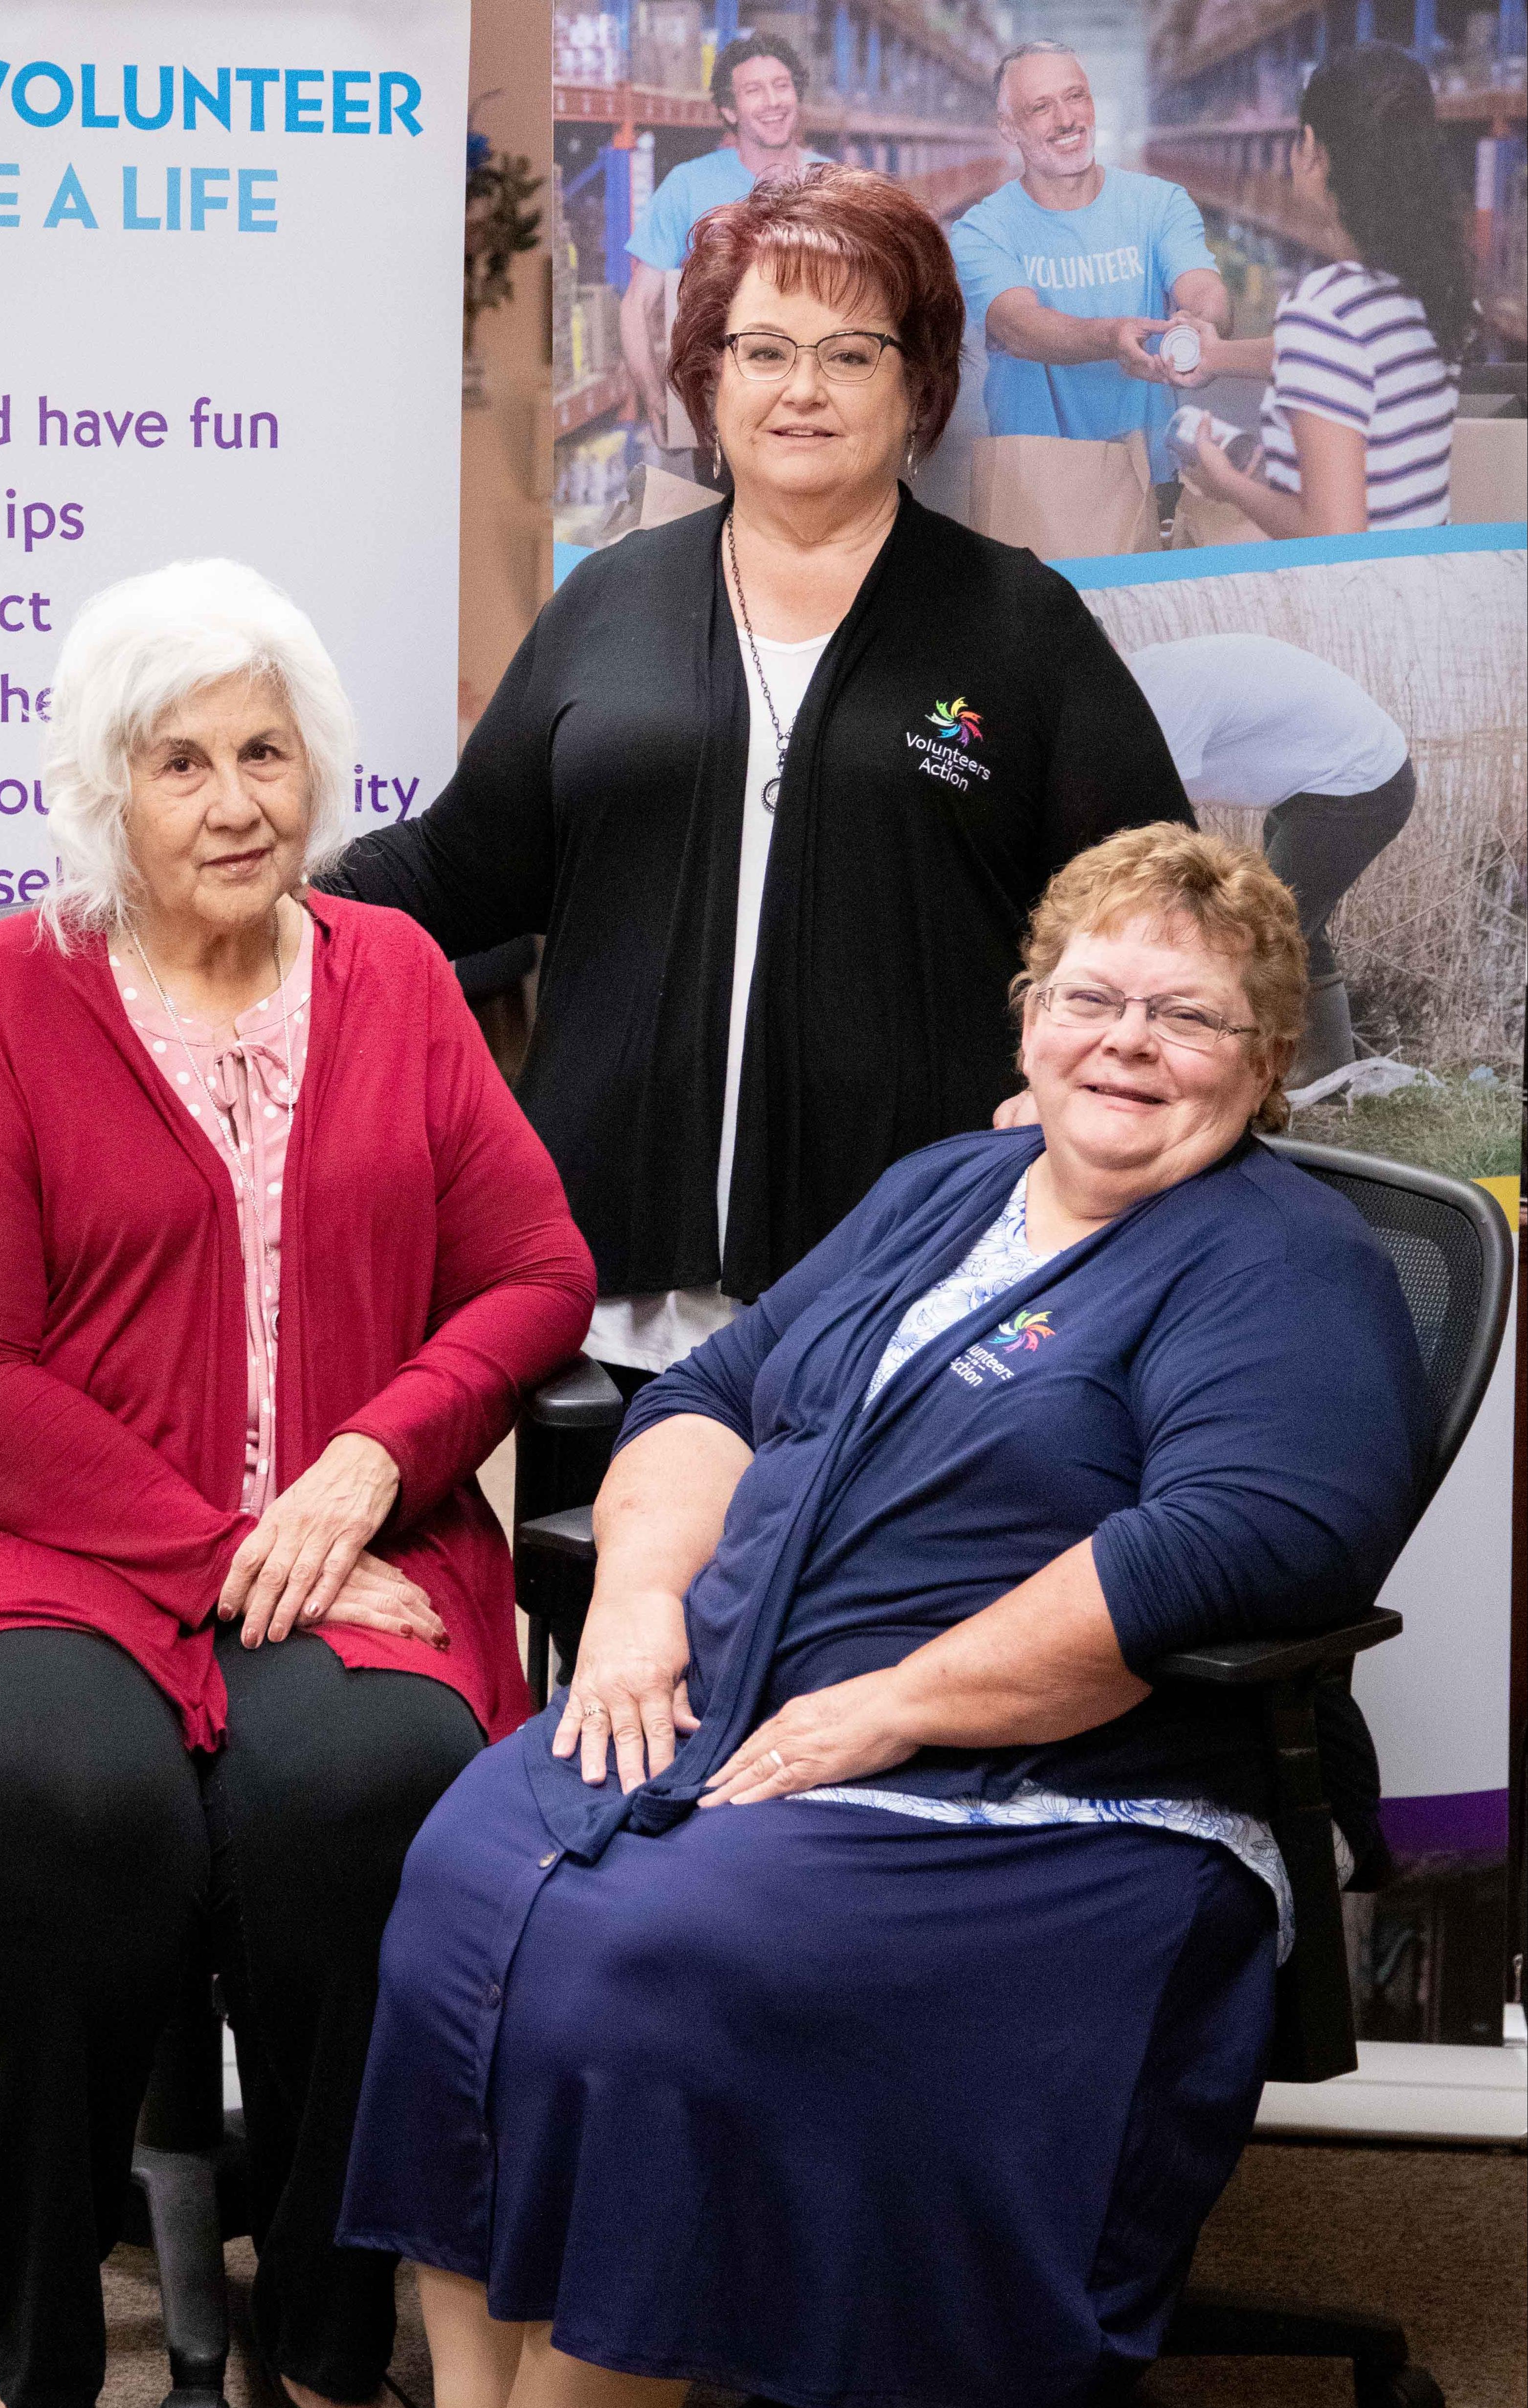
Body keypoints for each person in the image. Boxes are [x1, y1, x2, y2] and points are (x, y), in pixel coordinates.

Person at [292, 823, 1427, 2408]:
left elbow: (1237, 1535)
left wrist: (885, 1707)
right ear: (1029, 1016)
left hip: (1054, 1794)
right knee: (464, 1873)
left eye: (1188, 1016)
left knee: (647, 1963)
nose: (1129, 1042)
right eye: (1092, 997)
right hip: (739, 1699)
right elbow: (705, 1398)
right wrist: (650, 1604)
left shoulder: (1277, 1265)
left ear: (1264, 1055)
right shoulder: (939, 1192)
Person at [0, 562, 594, 2408]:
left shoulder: (398, 977)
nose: (239, 800)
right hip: (28, 1541)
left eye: (269, 751)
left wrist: (370, 1462)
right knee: (57, 1800)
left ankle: (327, 2324)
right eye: (184, 761)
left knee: (378, 1787)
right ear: (107, 790)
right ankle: (33, 2349)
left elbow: (535, 1269)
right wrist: (229, 1535)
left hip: (342, 1535)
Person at [330, 168, 1191, 1401]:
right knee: (613, 1585)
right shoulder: (608, 602)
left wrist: (1071, 1095)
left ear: (917, 386)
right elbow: (459, 871)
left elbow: (1161, 914)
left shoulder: (1017, 626)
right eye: (763, 349)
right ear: (710, 375)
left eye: (850, 353)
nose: (800, 391)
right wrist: (242, 905)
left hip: (912, 1295)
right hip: (607, 1291)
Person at [1177, 46, 1472, 537]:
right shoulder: (1433, 287)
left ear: (1310, 149)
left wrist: (1226, 481)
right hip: (1427, 586)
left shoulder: (1322, 309)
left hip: (1356, 605)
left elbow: (1333, 538)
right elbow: (1338, 360)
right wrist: (1216, 355)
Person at [1126, 635, 1416, 1083]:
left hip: (1357, 785)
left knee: (1263, 932)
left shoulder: (1159, 696)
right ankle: (1327, 1070)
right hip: (1310, 786)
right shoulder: (1134, 685)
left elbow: (1162, 830)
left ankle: (1253, 1074)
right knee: (1291, 922)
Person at [950, 42, 1231, 486]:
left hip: (1151, 476)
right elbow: (1019, 327)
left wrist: (1202, 325)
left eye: (1076, 96)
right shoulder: (982, 231)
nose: (1067, 119)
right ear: (1008, 128)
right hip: (1037, 488)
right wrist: (1112, 338)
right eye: (1041, 107)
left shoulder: (1160, 203)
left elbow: (1202, 287)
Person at [621, 33, 826, 457]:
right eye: (754, 90)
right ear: (729, 110)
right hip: (719, 414)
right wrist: (654, 398)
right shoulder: (688, 185)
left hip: (818, 405)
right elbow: (637, 305)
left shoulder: (836, 185)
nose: (773, 101)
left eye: (782, 85)